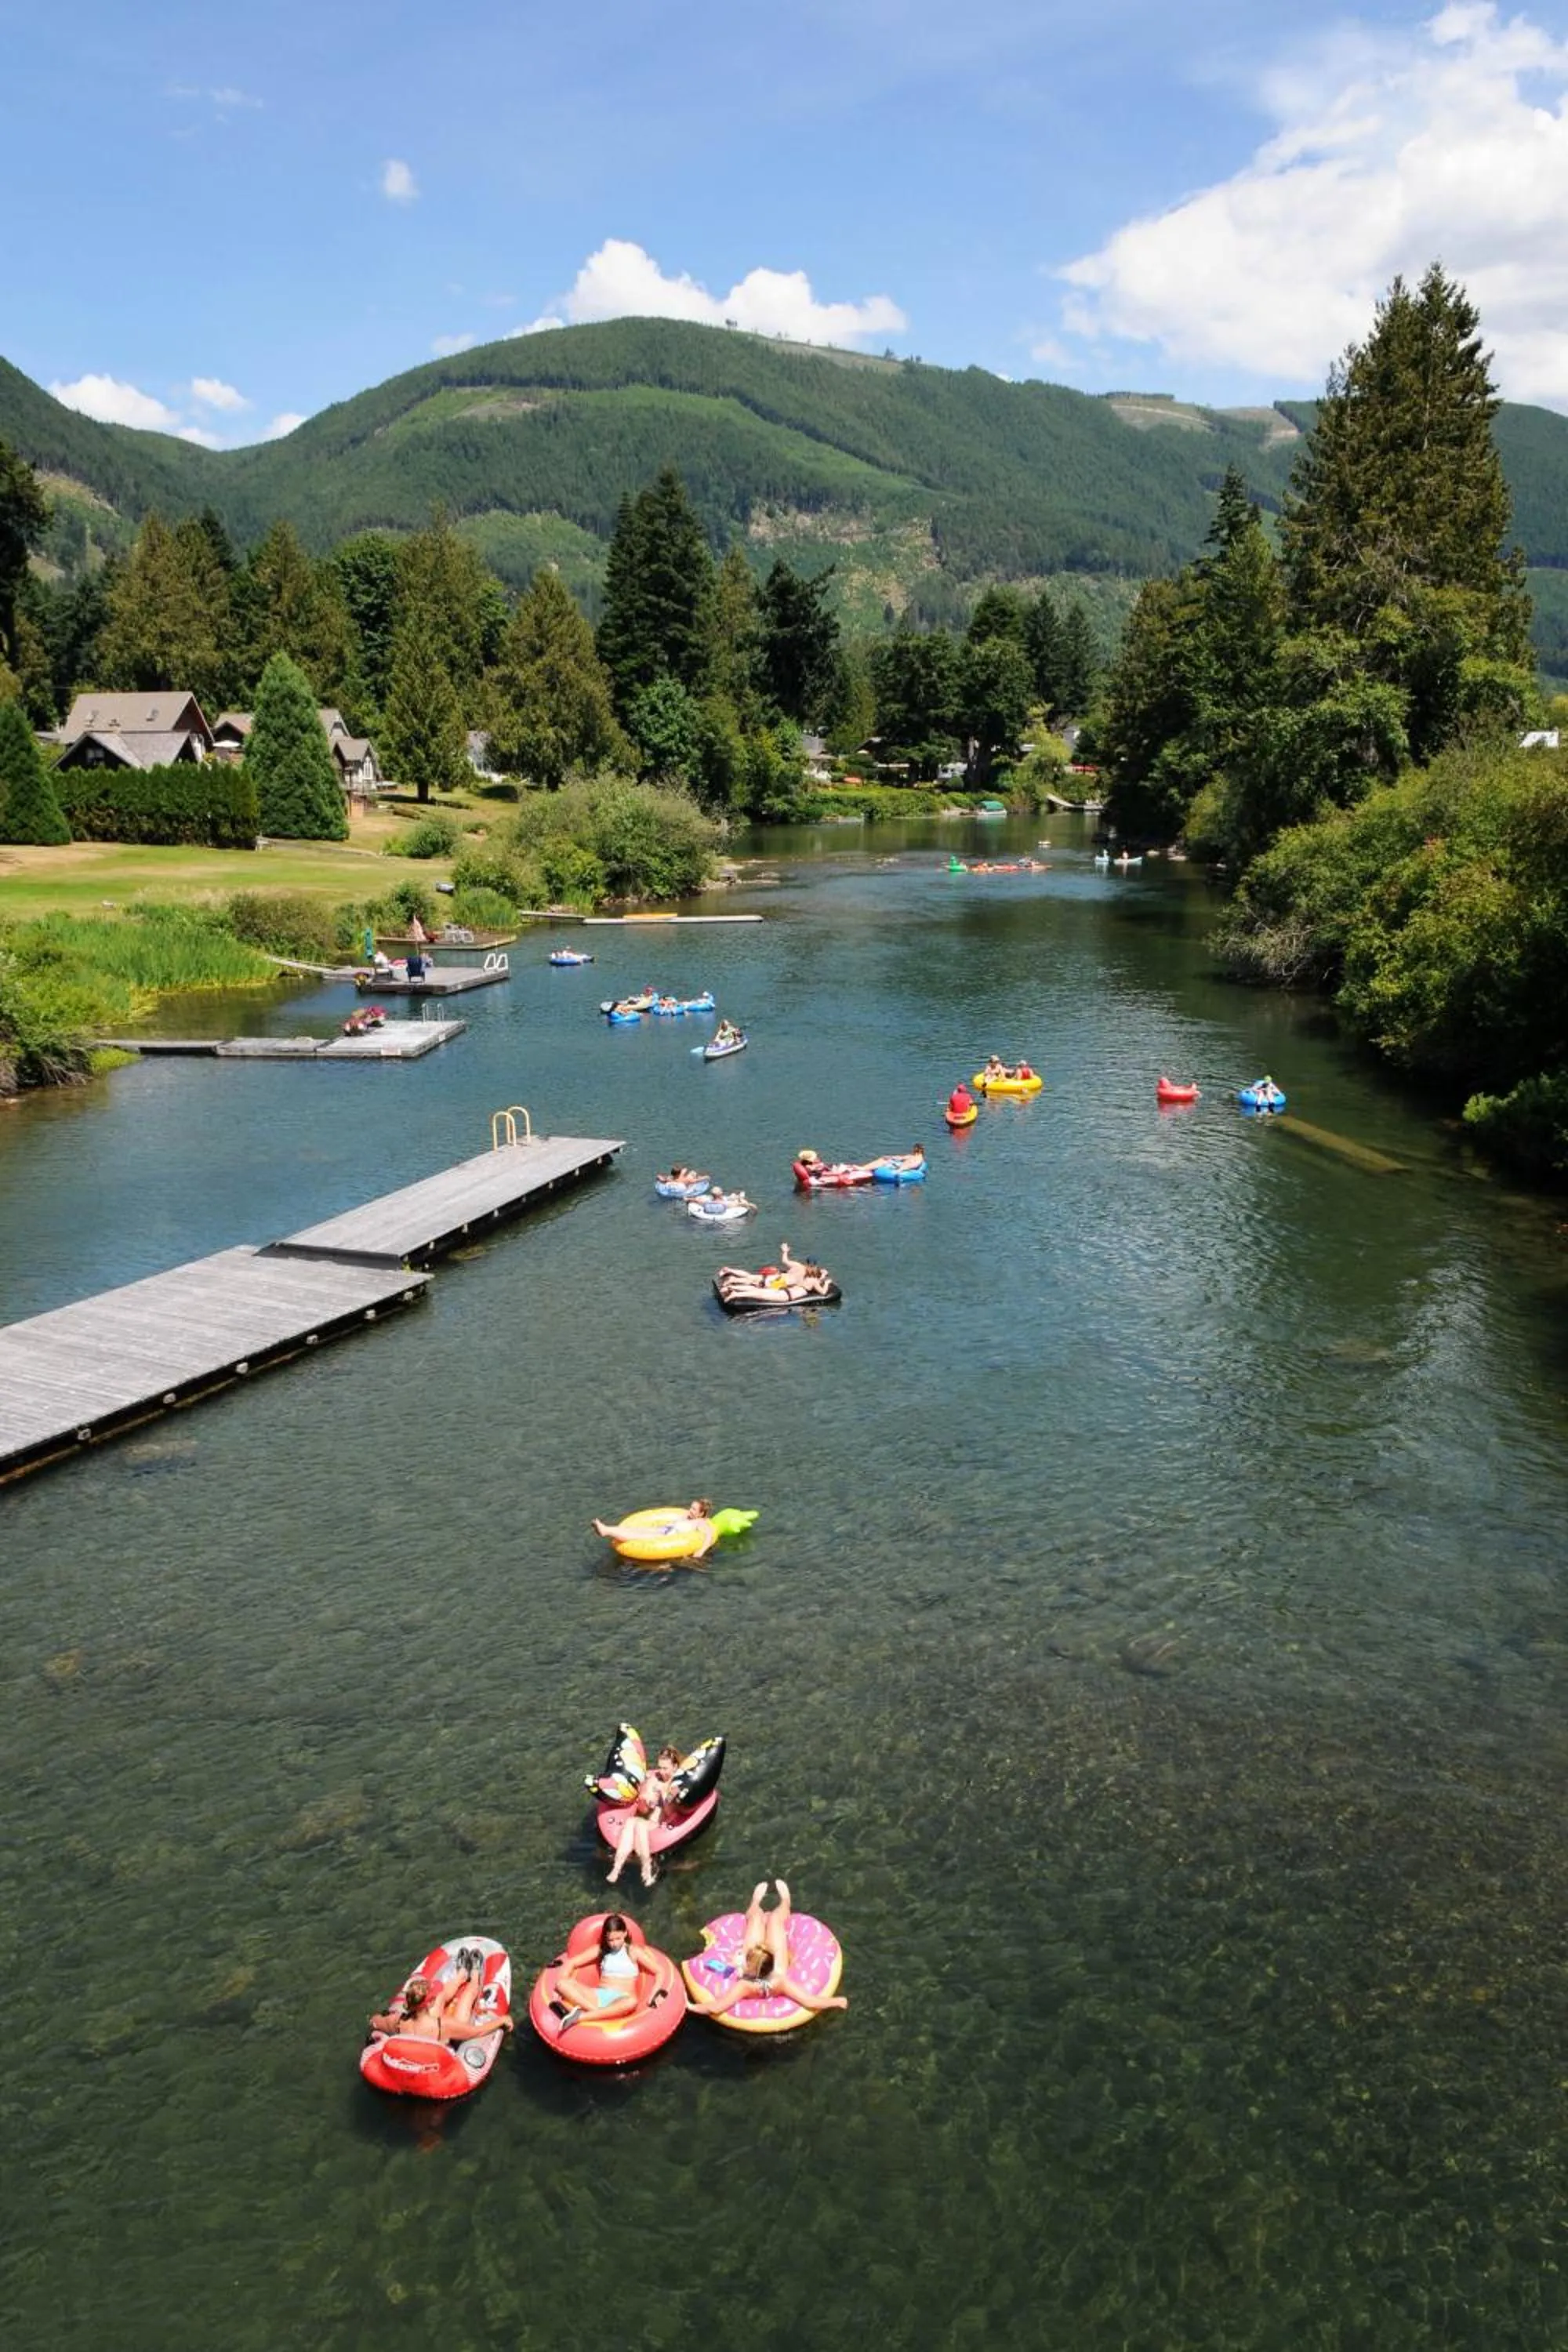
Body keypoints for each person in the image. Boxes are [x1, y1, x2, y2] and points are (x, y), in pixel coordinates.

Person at [687, 1880, 848, 2019]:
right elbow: (810, 2001)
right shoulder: (779, 1980)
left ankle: (756, 1903)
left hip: (759, 1964)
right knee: (775, 1920)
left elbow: (716, 2008)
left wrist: (691, 2006)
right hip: (773, 1965)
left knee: (756, 1918)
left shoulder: (744, 1985)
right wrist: (837, 2001)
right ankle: (784, 1901)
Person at [553, 1914, 662, 2030]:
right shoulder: (601, 1950)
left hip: (621, 1999)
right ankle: (595, 2013)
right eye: (610, 1940)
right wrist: (561, 1983)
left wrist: (654, 1994)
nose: (614, 1944)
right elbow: (572, 1962)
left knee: (632, 2002)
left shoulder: (633, 1952)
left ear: (625, 1933)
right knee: (561, 1984)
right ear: (606, 1937)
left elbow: (659, 1971)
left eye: (618, 1939)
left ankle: (581, 2017)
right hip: (598, 1996)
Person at [371, 1953, 511, 2042]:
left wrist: (377, 2021)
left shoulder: (397, 2022)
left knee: (441, 1997)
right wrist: (501, 2020)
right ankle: (474, 1978)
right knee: (467, 1997)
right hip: (438, 2043)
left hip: (419, 2028)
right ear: (429, 2002)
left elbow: (375, 2021)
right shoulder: (444, 2026)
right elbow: (477, 2032)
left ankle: (460, 1977)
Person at [605, 1745, 684, 1887]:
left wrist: (664, 1793)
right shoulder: (655, 1780)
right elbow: (642, 1810)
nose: (661, 1771)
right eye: (660, 1767)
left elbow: (670, 1813)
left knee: (638, 1824)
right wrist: (646, 1802)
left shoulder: (677, 1785)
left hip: (662, 1826)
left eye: (665, 1768)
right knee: (630, 1822)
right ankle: (617, 1868)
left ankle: (647, 1868)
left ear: (675, 1767)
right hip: (649, 1822)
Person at [592, 1498, 717, 1559]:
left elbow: (708, 1536)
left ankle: (605, 1531)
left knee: (637, 1536)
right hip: (663, 1530)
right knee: (636, 1530)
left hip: (665, 1537)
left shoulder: (701, 1523)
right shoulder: (687, 1516)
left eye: (694, 1509)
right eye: (691, 1507)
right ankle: (606, 1528)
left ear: (701, 1513)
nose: (690, 1510)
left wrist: (701, 1551)